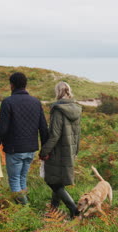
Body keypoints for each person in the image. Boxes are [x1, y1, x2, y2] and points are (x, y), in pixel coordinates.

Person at [0, 72, 49, 205]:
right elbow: (43, 128)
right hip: (31, 149)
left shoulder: (8, 102)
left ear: (12, 85)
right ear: (25, 84)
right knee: (22, 179)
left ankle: (25, 209)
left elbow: (2, 128)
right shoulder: (35, 102)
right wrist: (44, 150)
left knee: (15, 180)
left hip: (14, 148)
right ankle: (23, 208)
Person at [39, 82, 82, 218]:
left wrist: (44, 151)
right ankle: (53, 211)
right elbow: (78, 133)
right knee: (57, 181)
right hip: (70, 150)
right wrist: (76, 150)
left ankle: (74, 210)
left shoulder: (58, 109)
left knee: (53, 182)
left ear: (57, 92)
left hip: (57, 151)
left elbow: (55, 135)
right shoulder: (76, 108)